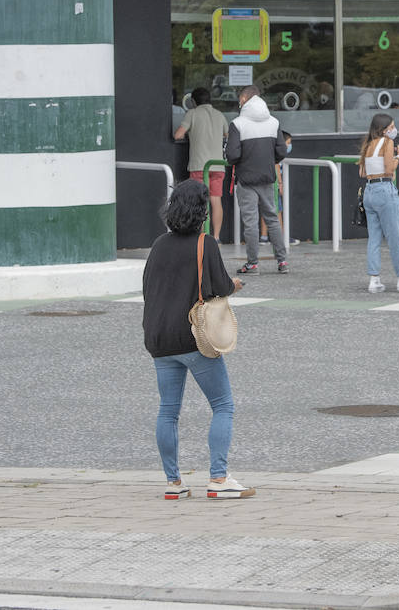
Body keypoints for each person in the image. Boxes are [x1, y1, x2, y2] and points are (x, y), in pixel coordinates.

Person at [141, 179, 253, 500]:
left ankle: (173, 483)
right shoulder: (206, 243)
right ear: (202, 210)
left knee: (168, 411)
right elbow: (218, 286)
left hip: (160, 338)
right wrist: (234, 285)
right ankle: (218, 479)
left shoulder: (159, 244)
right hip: (194, 338)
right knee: (223, 405)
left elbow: (149, 288)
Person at [224, 86, 287, 275]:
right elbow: (282, 152)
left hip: (246, 179)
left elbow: (232, 155)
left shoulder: (238, 124)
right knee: (272, 218)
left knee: (250, 221)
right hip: (268, 177)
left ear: (244, 98)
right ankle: (282, 261)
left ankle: (252, 264)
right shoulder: (274, 122)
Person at [358, 113, 399, 293]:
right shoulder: (387, 143)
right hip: (385, 190)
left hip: (369, 191)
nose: (394, 130)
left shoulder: (368, 144)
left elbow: (362, 172)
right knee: (395, 237)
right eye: (391, 127)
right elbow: (389, 169)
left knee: (374, 238)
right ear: (384, 130)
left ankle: (374, 280)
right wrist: (398, 156)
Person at [174, 86, 229, 242]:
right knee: (216, 200)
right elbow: (227, 134)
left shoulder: (192, 113)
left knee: (200, 202)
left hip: (199, 166)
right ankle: (216, 237)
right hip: (218, 166)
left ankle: (202, 235)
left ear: (193, 101)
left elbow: (178, 135)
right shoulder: (219, 115)